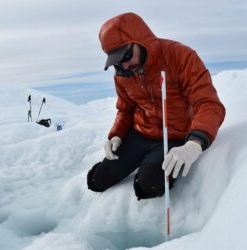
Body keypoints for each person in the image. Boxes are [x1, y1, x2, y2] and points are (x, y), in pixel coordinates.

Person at [87, 12, 226, 200]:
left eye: (126, 56)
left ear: (141, 40)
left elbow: (209, 104)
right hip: (141, 133)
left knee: (149, 184)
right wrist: (117, 135)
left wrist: (195, 143)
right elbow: (125, 109)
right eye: (117, 61)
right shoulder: (122, 73)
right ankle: (138, 160)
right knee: (96, 181)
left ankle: (148, 168)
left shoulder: (181, 56)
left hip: (176, 135)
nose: (124, 65)